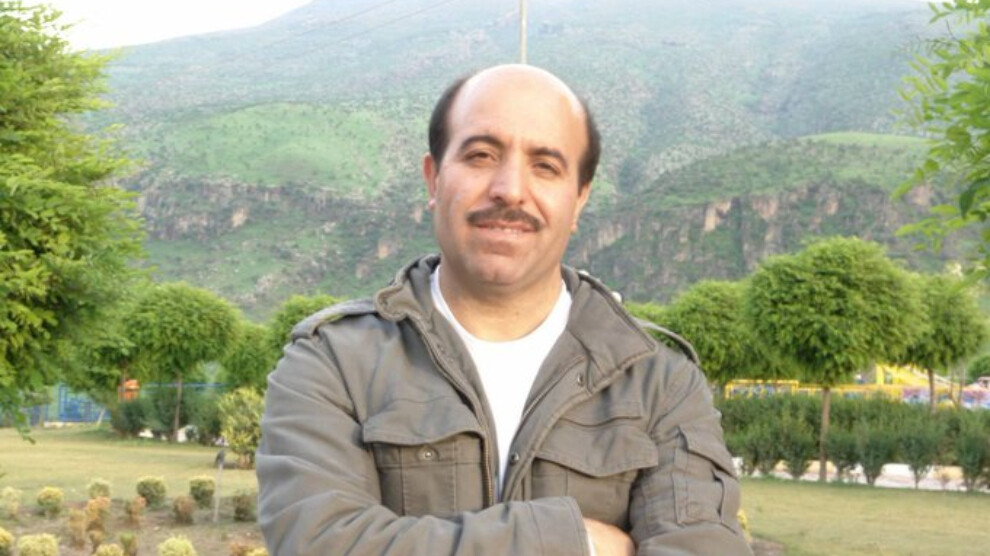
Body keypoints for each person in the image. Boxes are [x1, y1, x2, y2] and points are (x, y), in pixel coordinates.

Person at [256, 64, 752, 556]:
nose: (510, 189)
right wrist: (574, 542)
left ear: (580, 198)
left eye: (546, 166)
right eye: (481, 155)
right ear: (433, 179)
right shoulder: (333, 363)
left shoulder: (658, 382)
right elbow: (319, 544)